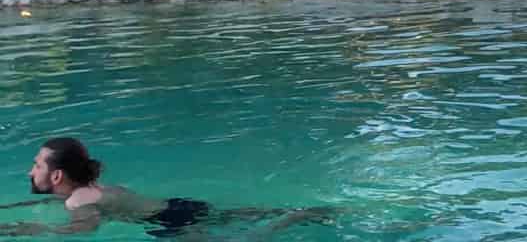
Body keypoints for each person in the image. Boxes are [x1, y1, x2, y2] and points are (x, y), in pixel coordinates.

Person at [6, 139, 327, 238]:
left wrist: (37, 230)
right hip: (177, 206)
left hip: (169, 224)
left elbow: (84, 229)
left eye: (37, 165)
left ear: (57, 176)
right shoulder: (92, 189)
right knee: (229, 217)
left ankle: (292, 220)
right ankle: (287, 212)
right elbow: (76, 206)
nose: (31, 171)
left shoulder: (78, 203)